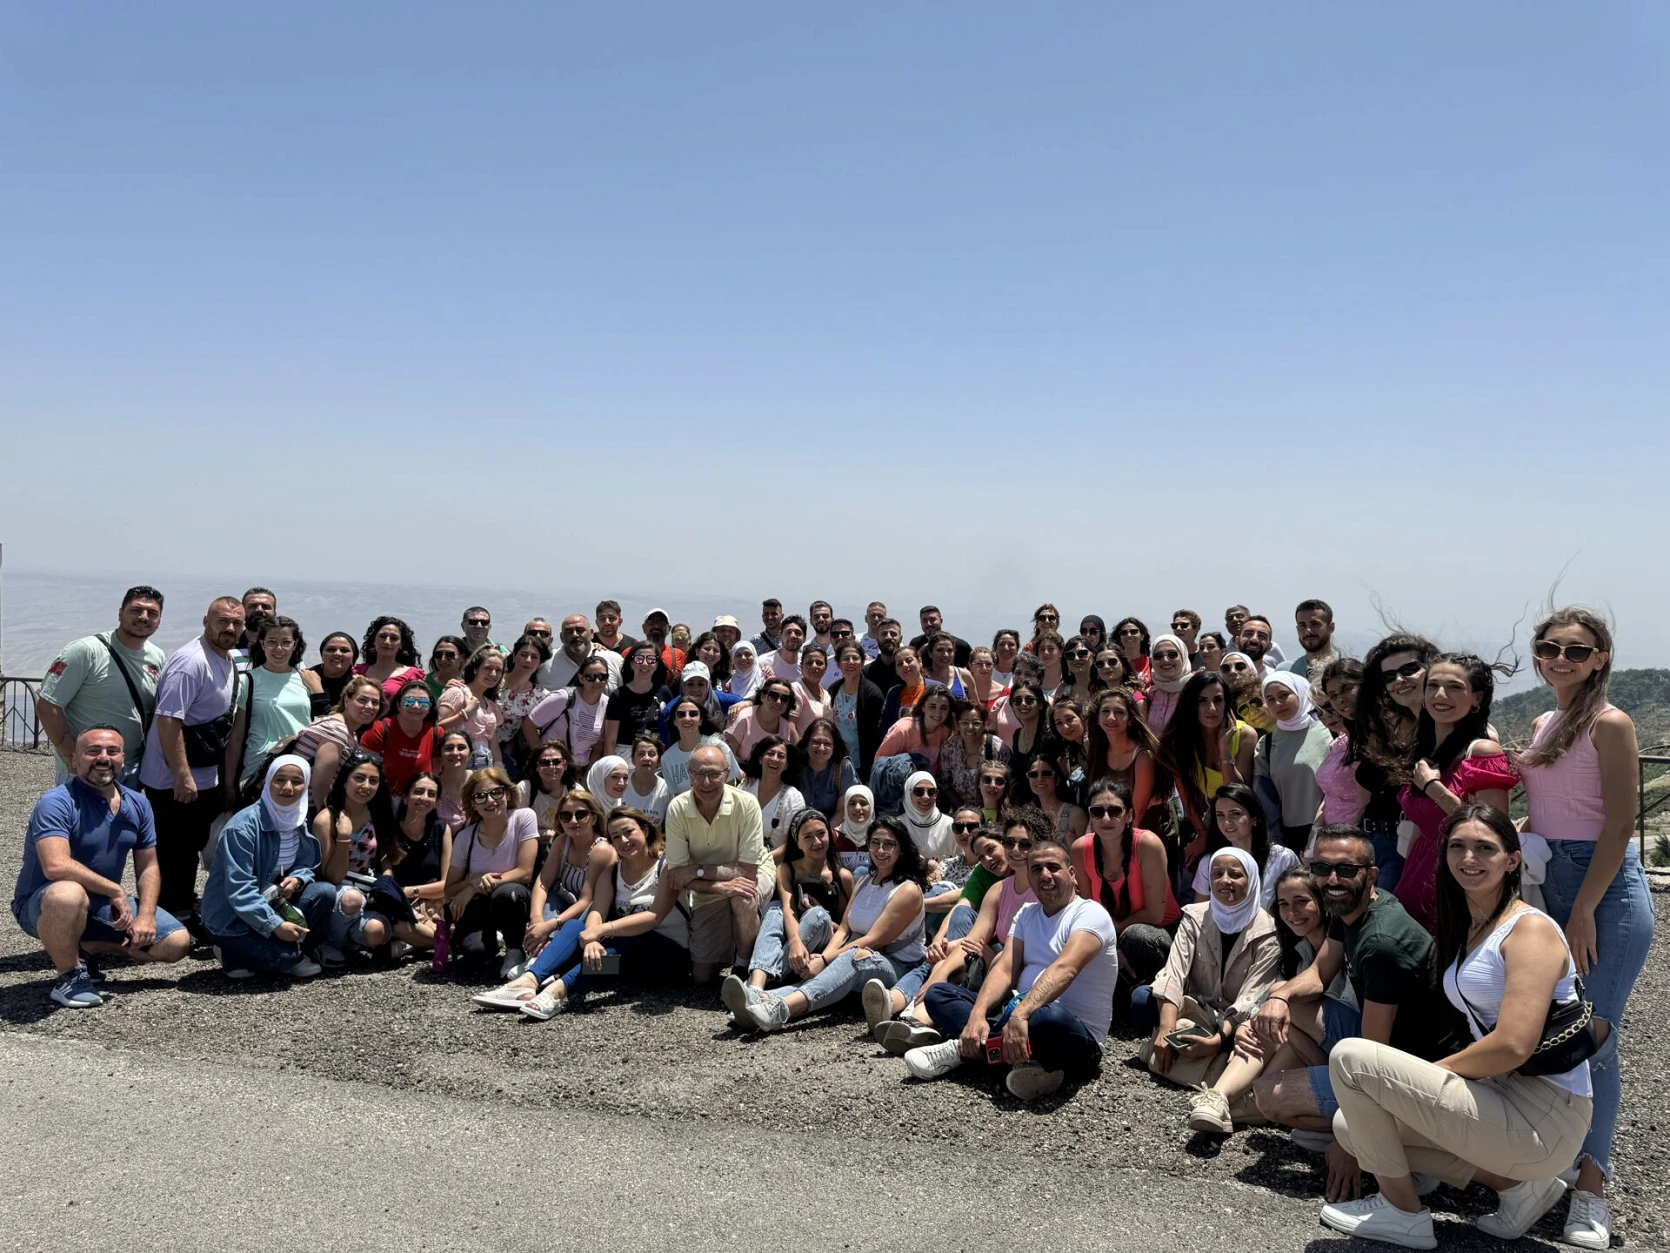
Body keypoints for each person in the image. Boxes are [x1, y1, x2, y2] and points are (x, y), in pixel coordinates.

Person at [1317, 807, 1597, 1248]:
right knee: (1350, 1125)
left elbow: (1513, 1045)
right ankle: (1521, 1191)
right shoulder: (1475, 926)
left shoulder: (1529, 932)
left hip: (1546, 1114)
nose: (1469, 857)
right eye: (1457, 846)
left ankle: (1402, 1213)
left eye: (1485, 847)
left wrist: (1431, 1076)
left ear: (1512, 860)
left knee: (1352, 1060)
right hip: (1506, 1097)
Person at [1514, 608, 1650, 1249]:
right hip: (1554, 884)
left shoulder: (1611, 723)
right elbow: (1548, 805)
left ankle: (1592, 1192)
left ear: (1600, 658)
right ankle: (1554, 1169)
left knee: (1594, 1039)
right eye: (1550, 647)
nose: (1560, 657)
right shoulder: (1546, 722)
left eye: (1577, 649)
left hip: (1604, 891)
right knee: (1550, 1029)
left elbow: (1620, 825)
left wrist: (1583, 908)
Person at [1253, 825, 1458, 1205]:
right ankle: (1360, 1127)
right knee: (1287, 999)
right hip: (1382, 1038)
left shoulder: (1381, 944)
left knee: (1269, 1097)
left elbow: (1373, 1060)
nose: (1332, 879)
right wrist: (1279, 997)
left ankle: (1402, 1152)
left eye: (1346, 869)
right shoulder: (1347, 906)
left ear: (1371, 875)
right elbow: (1318, 974)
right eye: (1322, 867)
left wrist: (1349, 1141)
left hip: (1413, 1067)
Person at [901, 830, 1119, 1101]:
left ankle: (966, 1052)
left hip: (1068, 1031)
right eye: (1036, 869)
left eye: (1053, 868)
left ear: (1072, 873)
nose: (1045, 876)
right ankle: (1023, 1063)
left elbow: (1065, 969)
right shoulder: (1027, 914)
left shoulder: (1091, 914)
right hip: (1015, 1017)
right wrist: (977, 1015)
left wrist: (1021, 1016)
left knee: (1047, 1017)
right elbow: (1005, 968)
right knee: (939, 994)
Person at [11, 727, 190, 1007]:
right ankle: (70, 975)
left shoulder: (138, 803)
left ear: (122, 759)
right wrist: (114, 889)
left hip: (99, 904)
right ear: (75, 761)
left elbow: (149, 866)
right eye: (93, 751)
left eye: (112, 751)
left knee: (176, 943)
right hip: (43, 904)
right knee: (69, 894)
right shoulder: (56, 802)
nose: (103, 758)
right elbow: (55, 866)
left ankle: (90, 946)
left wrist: (145, 915)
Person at [1185, 867, 1351, 1135]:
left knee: (1282, 1006)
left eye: (1301, 902)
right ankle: (1221, 1097)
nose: (1291, 912)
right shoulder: (1297, 949)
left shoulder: (1342, 947)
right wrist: (1246, 1025)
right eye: (1284, 904)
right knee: (1270, 1017)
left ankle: (1243, 1097)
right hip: (1305, 1045)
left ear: (1321, 902)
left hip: (1342, 1052)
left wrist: (1261, 1018)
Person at [727, 815, 927, 1034]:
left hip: (894, 966)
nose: (881, 850)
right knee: (837, 960)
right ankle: (761, 999)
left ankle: (782, 1009)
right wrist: (825, 959)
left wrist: (825, 959)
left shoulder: (908, 890)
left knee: (855, 956)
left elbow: (873, 940)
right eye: (875, 843)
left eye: (889, 844)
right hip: (857, 955)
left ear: (902, 849)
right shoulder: (864, 882)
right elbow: (843, 929)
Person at [515, 807, 694, 1020]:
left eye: (629, 832)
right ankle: (529, 980)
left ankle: (557, 992)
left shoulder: (665, 866)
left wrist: (600, 931)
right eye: (616, 837)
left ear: (645, 830)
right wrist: (591, 938)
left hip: (670, 956)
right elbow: (597, 911)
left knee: (622, 942)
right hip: (630, 958)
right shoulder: (612, 872)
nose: (624, 840)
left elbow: (654, 917)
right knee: (575, 926)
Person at [1134, 848, 1279, 1094]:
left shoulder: (1269, 932)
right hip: (1200, 1009)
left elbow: (1251, 998)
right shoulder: (1194, 916)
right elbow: (1174, 973)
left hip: (1237, 1021)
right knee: (1140, 1000)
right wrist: (1167, 1029)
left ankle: (1216, 1053)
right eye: (1217, 873)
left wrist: (1218, 1040)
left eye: (1235, 874)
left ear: (1252, 881)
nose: (1225, 881)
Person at [139, 595, 245, 929]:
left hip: (202, 776)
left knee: (189, 847)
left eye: (236, 623)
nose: (229, 628)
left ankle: (180, 908)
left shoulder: (224, 659)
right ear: (206, 621)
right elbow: (168, 720)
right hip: (173, 780)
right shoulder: (191, 662)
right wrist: (182, 775)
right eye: (222, 621)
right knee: (173, 850)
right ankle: (166, 916)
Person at [1394, 654, 1516, 933]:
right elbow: (1419, 827)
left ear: (1477, 698)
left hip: (1459, 880)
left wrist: (1433, 788)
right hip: (1417, 876)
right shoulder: (1426, 752)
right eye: (1432, 685)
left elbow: (1493, 829)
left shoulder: (1482, 752)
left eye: (1454, 687)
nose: (1440, 695)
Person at [469, 789, 615, 1009]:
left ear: (594, 817)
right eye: (566, 816)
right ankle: (539, 964)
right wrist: (537, 919)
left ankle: (535, 967)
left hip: (592, 915)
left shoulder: (601, 849)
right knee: (550, 899)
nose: (573, 821)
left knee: (572, 919)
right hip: (568, 911)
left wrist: (549, 925)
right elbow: (542, 882)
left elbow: (587, 900)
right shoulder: (562, 842)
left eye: (581, 814)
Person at [199, 756, 333, 978]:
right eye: (280, 779)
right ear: (268, 781)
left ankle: (286, 951)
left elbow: (305, 863)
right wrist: (276, 925)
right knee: (284, 959)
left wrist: (298, 878)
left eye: (297, 781)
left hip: (272, 901)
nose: (288, 788)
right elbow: (240, 890)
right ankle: (230, 951)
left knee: (325, 893)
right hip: (232, 917)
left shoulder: (298, 818)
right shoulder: (242, 829)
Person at [662, 746, 774, 984]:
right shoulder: (677, 809)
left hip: (753, 873)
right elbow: (677, 877)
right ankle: (739, 938)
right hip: (710, 887)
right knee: (702, 978)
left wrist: (697, 870)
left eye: (714, 774)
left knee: (742, 895)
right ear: (689, 775)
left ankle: (742, 966)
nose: (706, 782)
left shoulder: (747, 804)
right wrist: (720, 887)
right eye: (699, 774)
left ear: (727, 773)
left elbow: (748, 871)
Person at [38, 585, 167, 785]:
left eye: (152, 613)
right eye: (136, 610)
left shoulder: (156, 656)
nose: (143, 617)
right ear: (120, 613)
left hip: (131, 768)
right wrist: (72, 757)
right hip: (86, 770)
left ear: (159, 621)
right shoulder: (86, 651)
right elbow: (47, 706)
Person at [729, 809, 855, 998]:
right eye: (808, 837)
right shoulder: (787, 869)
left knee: (817, 915)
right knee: (775, 910)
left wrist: (818, 914)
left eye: (821, 834)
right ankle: (756, 986)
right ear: (798, 842)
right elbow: (788, 910)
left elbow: (847, 929)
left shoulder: (842, 876)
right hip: (791, 944)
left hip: (821, 944)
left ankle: (757, 983)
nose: (817, 842)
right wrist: (795, 941)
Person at [1349, 633, 1439, 891]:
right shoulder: (1393, 730)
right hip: (1390, 842)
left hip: (1431, 853)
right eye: (1389, 677)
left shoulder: (1456, 732)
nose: (1399, 680)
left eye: (1409, 669)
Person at [1072, 778, 1180, 987]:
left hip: (1159, 933)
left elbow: (1155, 914)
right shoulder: (1080, 849)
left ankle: (1160, 994)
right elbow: (1088, 907)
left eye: (1114, 811)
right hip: (1111, 932)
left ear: (1129, 815)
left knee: (1136, 936)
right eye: (1097, 812)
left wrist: (1114, 937)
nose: (1106, 818)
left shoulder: (1147, 844)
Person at [443, 767, 539, 978]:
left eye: (496, 792)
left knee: (507, 893)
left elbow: (525, 872)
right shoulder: (465, 838)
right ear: (472, 804)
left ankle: (515, 949)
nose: (489, 801)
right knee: (474, 955)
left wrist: (479, 885)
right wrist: (474, 883)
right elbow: (449, 889)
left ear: (507, 793)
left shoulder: (524, 817)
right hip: (480, 907)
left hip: (513, 900)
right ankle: (494, 937)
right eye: (480, 796)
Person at [1160, 672, 1256, 874]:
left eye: (1218, 700)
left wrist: (1224, 751)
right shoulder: (1178, 742)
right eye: (1202, 701)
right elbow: (1187, 796)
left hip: (1246, 820)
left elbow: (1238, 794)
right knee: (1191, 868)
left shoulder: (1245, 735)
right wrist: (1202, 834)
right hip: (1210, 817)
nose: (1211, 709)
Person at [309, 750, 399, 964]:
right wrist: (344, 838)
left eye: (373, 780)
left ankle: (349, 940)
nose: (366, 786)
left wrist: (386, 883)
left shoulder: (378, 813)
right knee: (351, 899)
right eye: (359, 778)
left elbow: (388, 856)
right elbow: (333, 876)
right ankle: (327, 945)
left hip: (368, 890)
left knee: (376, 931)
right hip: (337, 893)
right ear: (344, 781)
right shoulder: (326, 819)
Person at [224, 614, 321, 801]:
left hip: (299, 769)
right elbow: (236, 737)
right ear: (262, 644)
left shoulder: (307, 679)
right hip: (259, 770)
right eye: (272, 642)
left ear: (294, 645)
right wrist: (229, 784)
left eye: (285, 642)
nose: (279, 649)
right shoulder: (248, 681)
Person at [1255, 671, 1334, 849]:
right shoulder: (1266, 745)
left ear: (1300, 691)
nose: (1278, 704)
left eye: (1284, 695)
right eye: (1270, 699)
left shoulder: (1330, 731)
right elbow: (1266, 798)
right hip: (1290, 837)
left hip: (1331, 830)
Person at [1191, 784, 1300, 908]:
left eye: (1235, 814)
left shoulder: (1283, 859)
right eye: (1220, 815)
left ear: (1254, 818)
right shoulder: (1208, 863)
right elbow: (1199, 912)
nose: (1227, 822)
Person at [380, 772, 453, 952]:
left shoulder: (442, 830)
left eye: (431, 794)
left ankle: (412, 944)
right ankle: (449, 944)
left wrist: (408, 891)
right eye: (419, 791)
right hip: (399, 908)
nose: (424, 798)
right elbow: (387, 882)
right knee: (399, 926)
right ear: (405, 797)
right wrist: (402, 897)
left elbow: (447, 885)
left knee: (405, 929)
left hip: (433, 906)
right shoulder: (390, 833)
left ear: (436, 802)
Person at [1085, 687, 1169, 837]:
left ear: (1130, 719)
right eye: (1105, 711)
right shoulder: (1098, 750)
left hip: (1144, 833)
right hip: (1111, 831)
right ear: (1097, 718)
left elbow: (1138, 812)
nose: (1111, 717)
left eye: (1119, 712)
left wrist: (1115, 844)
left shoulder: (1143, 757)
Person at [294, 676, 384, 810]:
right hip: (304, 809)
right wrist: (325, 819)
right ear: (347, 701)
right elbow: (321, 784)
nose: (369, 706)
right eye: (362, 700)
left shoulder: (349, 732)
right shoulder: (336, 730)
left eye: (375, 702)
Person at [523, 655, 613, 768]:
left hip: (580, 768)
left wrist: (588, 777)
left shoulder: (607, 704)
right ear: (581, 678)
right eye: (590, 677)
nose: (597, 681)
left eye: (602, 676)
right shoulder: (563, 698)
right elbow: (529, 725)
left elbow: (598, 746)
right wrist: (542, 758)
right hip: (553, 766)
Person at [360, 679, 443, 797]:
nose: (416, 706)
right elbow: (363, 768)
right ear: (398, 705)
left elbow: (435, 774)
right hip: (382, 797)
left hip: (419, 799)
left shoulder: (436, 733)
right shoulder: (379, 729)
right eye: (409, 701)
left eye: (423, 703)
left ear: (429, 707)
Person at [1312, 659, 1367, 828]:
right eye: (1318, 712)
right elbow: (1329, 796)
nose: (1326, 717)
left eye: (1328, 707)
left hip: (1357, 837)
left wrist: (1348, 836)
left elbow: (1366, 803)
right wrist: (1315, 831)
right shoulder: (1338, 744)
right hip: (1331, 835)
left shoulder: (1369, 743)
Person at [435, 644, 505, 769]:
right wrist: (466, 712)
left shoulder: (491, 705)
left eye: (499, 670)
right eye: (488, 668)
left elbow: (493, 744)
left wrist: (499, 768)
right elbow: (438, 729)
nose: (493, 674)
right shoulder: (457, 692)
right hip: (458, 760)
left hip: (485, 764)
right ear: (475, 669)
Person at [933, 698, 1008, 812]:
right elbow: (945, 784)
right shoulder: (949, 748)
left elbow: (1008, 784)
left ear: (984, 725)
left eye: (976, 723)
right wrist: (964, 811)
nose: (970, 727)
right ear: (957, 725)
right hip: (961, 813)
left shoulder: (997, 748)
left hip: (993, 811)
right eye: (964, 723)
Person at [827, 641, 886, 778]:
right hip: (836, 761)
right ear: (838, 663)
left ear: (863, 662)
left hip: (862, 766)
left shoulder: (872, 694)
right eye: (845, 659)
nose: (850, 662)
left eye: (855, 658)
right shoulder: (833, 690)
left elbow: (876, 736)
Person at [659, 696, 737, 796]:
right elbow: (676, 795)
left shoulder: (719, 747)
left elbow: (731, 784)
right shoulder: (667, 758)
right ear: (674, 721)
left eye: (693, 714)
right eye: (681, 714)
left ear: (700, 720)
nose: (687, 718)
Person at [493, 633, 550, 765]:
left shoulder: (542, 696)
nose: (528, 660)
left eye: (534, 657)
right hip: (479, 745)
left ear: (540, 662)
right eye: (523, 655)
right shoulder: (493, 681)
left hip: (508, 754)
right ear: (514, 656)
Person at [739, 736, 805, 848]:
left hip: (774, 862)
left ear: (786, 766)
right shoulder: (746, 786)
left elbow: (792, 843)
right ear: (760, 759)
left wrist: (764, 861)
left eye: (781, 756)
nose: (774, 759)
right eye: (770, 753)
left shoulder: (794, 797)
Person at [602, 642, 664, 757]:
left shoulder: (664, 692)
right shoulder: (618, 696)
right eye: (639, 659)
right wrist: (610, 767)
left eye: (651, 659)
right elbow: (610, 740)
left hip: (656, 755)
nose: (645, 663)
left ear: (657, 664)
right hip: (626, 757)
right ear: (631, 664)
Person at [536, 615, 623, 693]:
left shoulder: (614, 660)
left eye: (580, 630)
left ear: (591, 633)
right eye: (569, 631)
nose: (575, 635)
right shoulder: (545, 663)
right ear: (561, 637)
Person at [876, 685, 955, 769]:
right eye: (932, 706)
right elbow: (879, 765)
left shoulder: (945, 732)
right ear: (923, 707)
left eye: (943, 708)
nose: (937, 713)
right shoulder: (902, 730)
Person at [725, 677, 801, 758]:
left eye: (785, 699)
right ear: (762, 697)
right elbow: (728, 753)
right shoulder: (745, 718)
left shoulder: (784, 726)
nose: (778, 702)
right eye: (773, 696)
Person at [797, 717, 859, 818]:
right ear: (806, 743)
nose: (821, 748)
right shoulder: (795, 764)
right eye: (816, 742)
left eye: (827, 743)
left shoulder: (843, 767)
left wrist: (824, 832)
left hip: (830, 829)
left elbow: (841, 811)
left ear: (834, 746)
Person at [354, 616, 425, 702]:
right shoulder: (358, 671)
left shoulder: (412, 675)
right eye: (383, 636)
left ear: (401, 644)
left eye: (394, 638)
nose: (387, 642)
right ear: (374, 640)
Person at [1020, 756, 1086, 841]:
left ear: (1057, 780)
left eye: (1046, 774)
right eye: (1033, 775)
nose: (1040, 779)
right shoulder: (1026, 815)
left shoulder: (1075, 815)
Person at [1143, 633, 1194, 734]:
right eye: (1158, 656)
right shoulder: (1149, 694)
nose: (1165, 660)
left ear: (1183, 655)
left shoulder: (1196, 689)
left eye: (1172, 654)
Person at [900, 770, 955, 859]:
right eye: (918, 791)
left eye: (931, 792)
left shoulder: (949, 824)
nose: (926, 797)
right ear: (908, 793)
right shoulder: (898, 825)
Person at [516, 739, 574, 824]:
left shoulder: (575, 790)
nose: (551, 767)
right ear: (536, 767)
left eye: (557, 762)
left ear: (565, 765)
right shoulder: (525, 789)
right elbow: (516, 825)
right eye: (544, 762)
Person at [1285, 599, 1341, 682]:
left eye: (1315, 624)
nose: (1308, 631)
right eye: (1302, 625)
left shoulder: (1347, 668)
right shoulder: (1286, 672)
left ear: (1331, 627)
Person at [622, 733, 672, 823]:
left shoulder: (667, 788)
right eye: (641, 754)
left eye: (651, 754)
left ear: (659, 760)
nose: (646, 758)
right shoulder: (621, 783)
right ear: (633, 759)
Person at [788, 644, 833, 735]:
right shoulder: (796, 689)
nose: (814, 666)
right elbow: (790, 726)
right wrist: (799, 749)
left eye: (819, 663)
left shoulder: (827, 695)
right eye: (809, 663)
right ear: (801, 666)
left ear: (826, 668)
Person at [310, 632, 359, 708]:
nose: (337, 653)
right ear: (322, 655)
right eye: (331, 649)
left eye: (344, 650)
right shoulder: (304, 680)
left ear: (353, 658)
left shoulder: (358, 687)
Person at [834, 784, 876, 873]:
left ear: (871, 806)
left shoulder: (879, 836)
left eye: (863, 803)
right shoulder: (834, 836)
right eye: (852, 803)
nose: (857, 808)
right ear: (845, 807)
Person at [863, 618, 904, 695]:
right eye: (884, 634)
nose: (888, 637)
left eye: (893, 634)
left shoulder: (907, 670)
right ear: (877, 638)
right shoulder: (866, 672)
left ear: (900, 639)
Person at [423, 636, 467, 703]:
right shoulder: (424, 683)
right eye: (438, 655)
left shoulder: (472, 683)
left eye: (450, 655)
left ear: (462, 657)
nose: (443, 659)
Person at [234, 587, 277, 653]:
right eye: (253, 606)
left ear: (275, 613)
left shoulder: (288, 649)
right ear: (242, 612)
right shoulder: (228, 648)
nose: (259, 610)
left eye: (265, 606)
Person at [1111, 616, 1152, 684]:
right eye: (1124, 633)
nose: (1129, 635)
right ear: (1120, 637)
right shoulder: (1113, 663)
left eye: (1133, 631)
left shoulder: (1152, 664)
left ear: (1142, 636)